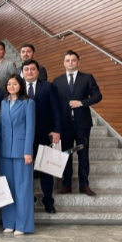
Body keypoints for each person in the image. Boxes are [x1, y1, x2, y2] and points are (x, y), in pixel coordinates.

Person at [52, 50, 103, 196]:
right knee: (66, 155)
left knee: (83, 154)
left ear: (78, 62)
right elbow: (54, 104)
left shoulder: (87, 78)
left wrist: (81, 103)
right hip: (65, 124)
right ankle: (66, 184)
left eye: (73, 60)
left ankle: (84, 185)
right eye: (68, 60)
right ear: (64, 63)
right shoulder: (57, 81)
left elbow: (98, 96)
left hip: (82, 123)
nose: (70, 63)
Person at [0, 74, 36, 236]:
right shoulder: (3, 103)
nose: (11, 87)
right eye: (9, 84)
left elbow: (30, 129)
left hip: (21, 152)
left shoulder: (28, 103)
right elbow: (0, 126)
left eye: (14, 84)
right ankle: (9, 223)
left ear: (20, 85)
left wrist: (28, 151)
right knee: (7, 188)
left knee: (22, 189)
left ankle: (23, 225)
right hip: (4, 151)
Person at [23, 59, 62, 213]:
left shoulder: (48, 86)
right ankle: (29, 200)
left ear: (38, 72)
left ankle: (48, 201)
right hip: (23, 137)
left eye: (33, 69)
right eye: (26, 69)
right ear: (22, 72)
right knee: (26, 170)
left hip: (44, 135)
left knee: (46, 169)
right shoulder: (17, 87)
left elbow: (56, 109)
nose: (30, 72)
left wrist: (57, 130)